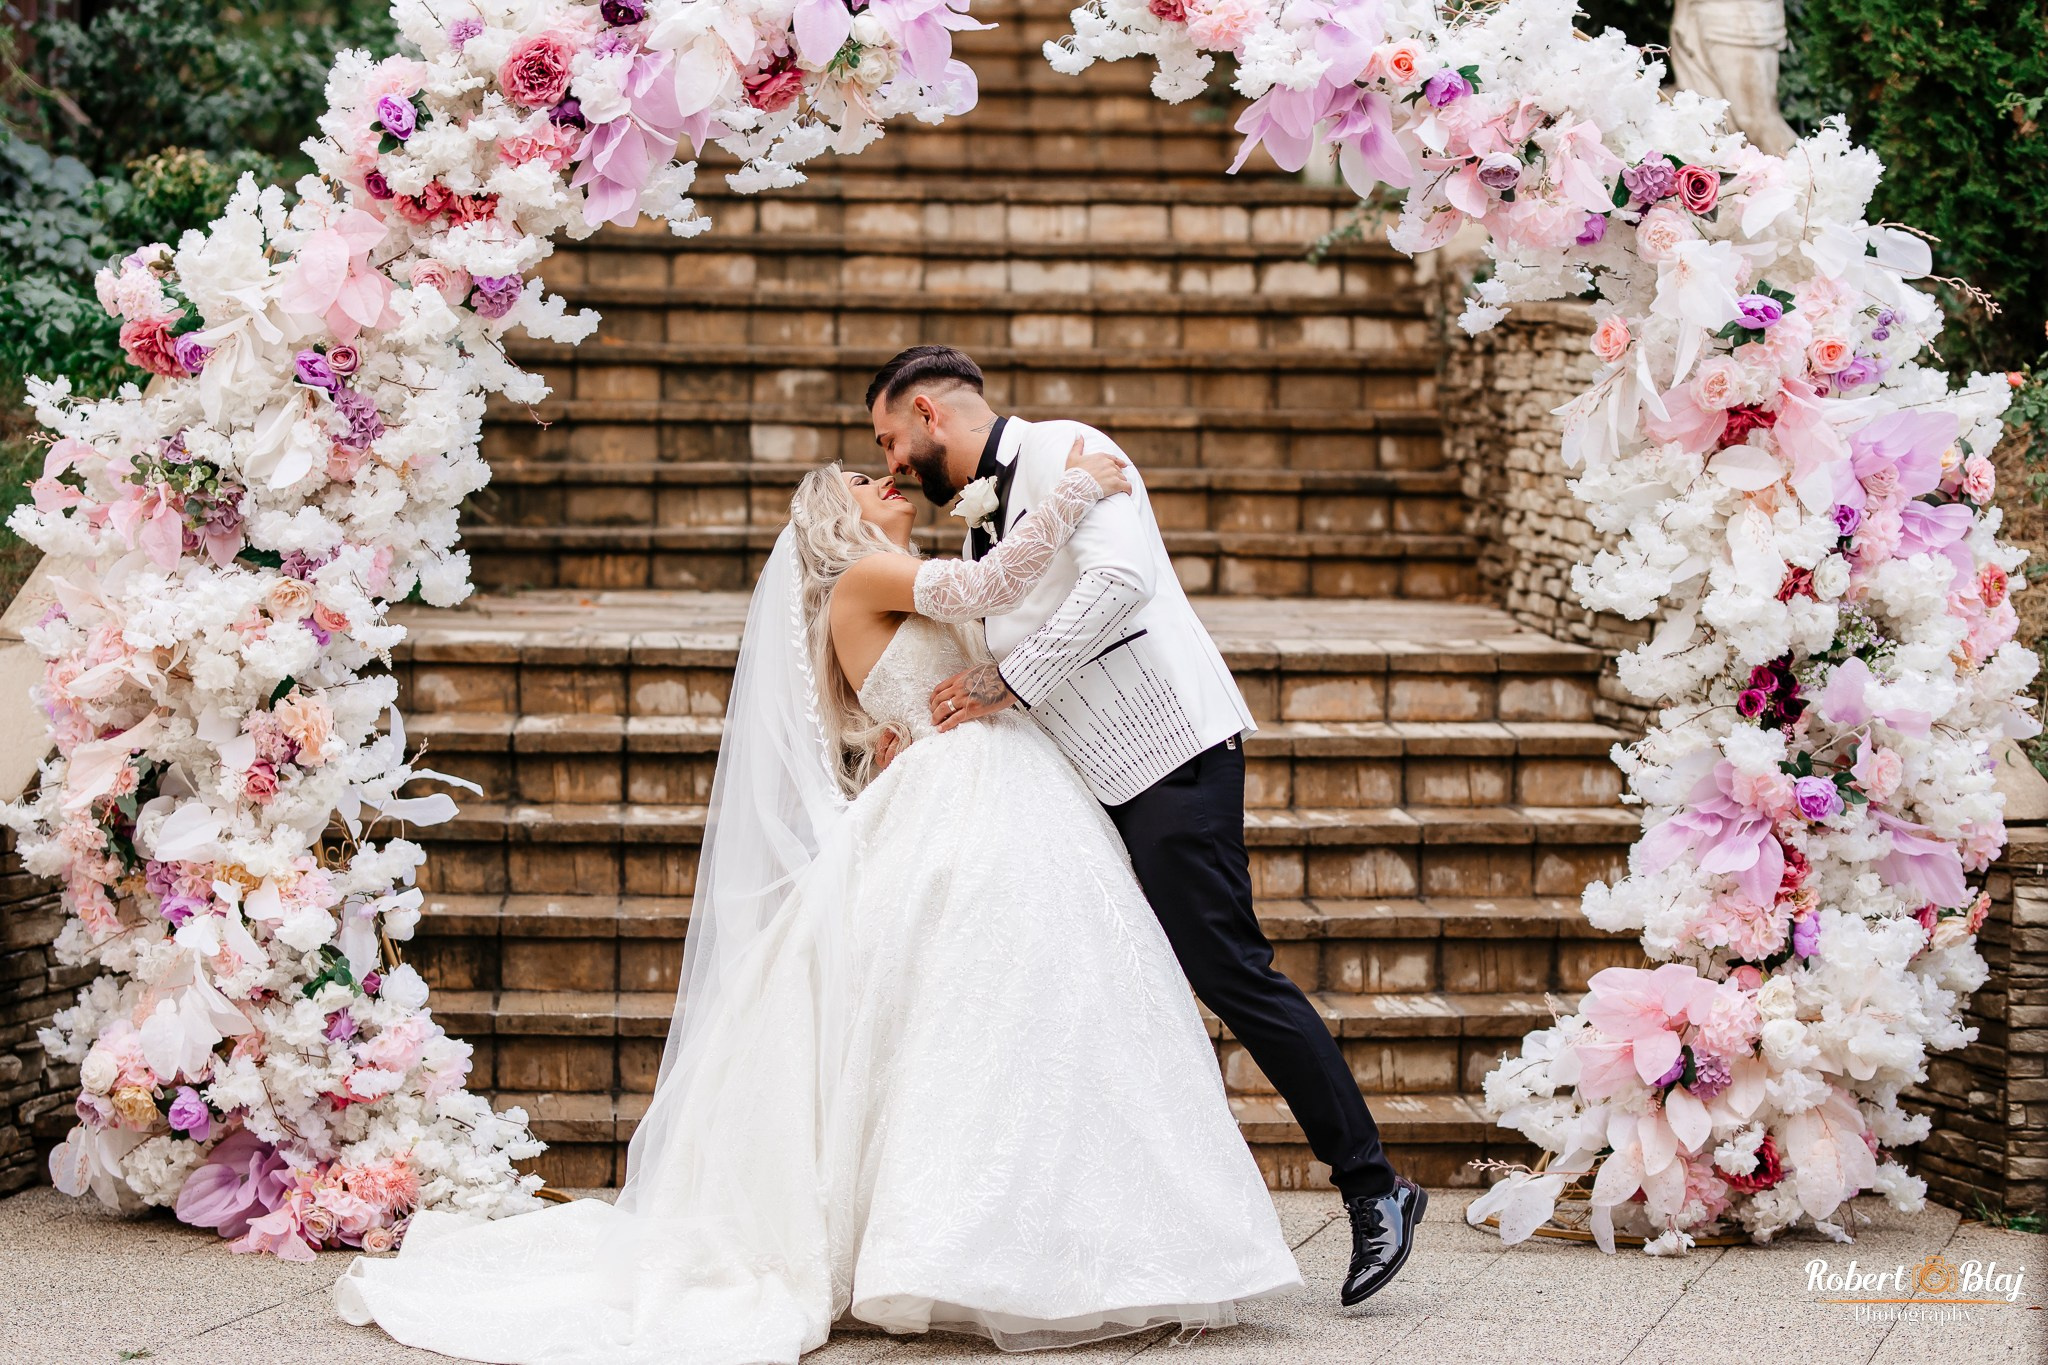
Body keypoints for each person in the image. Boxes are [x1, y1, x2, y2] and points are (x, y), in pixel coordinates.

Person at [332, 441, 1302, 1363]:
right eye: (863, 481)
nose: (888, 480)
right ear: (836, 517)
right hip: (964, 796)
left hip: (990, 785)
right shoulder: (865, 577)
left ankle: (1042, 1237)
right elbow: (984, 589)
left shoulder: (882, 584)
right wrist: (1078, 488)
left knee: (1023, 1011)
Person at [866, 344, 1426, 1307]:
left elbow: (1120, 582)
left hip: (1168, 751)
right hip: (1090, 777)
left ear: (927, 413)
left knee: (1230, 969)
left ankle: (1374, 1187)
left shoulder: (1069, 451)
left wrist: (1009, 680)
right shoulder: (980, 518)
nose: (890, 462)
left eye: (888, 438)